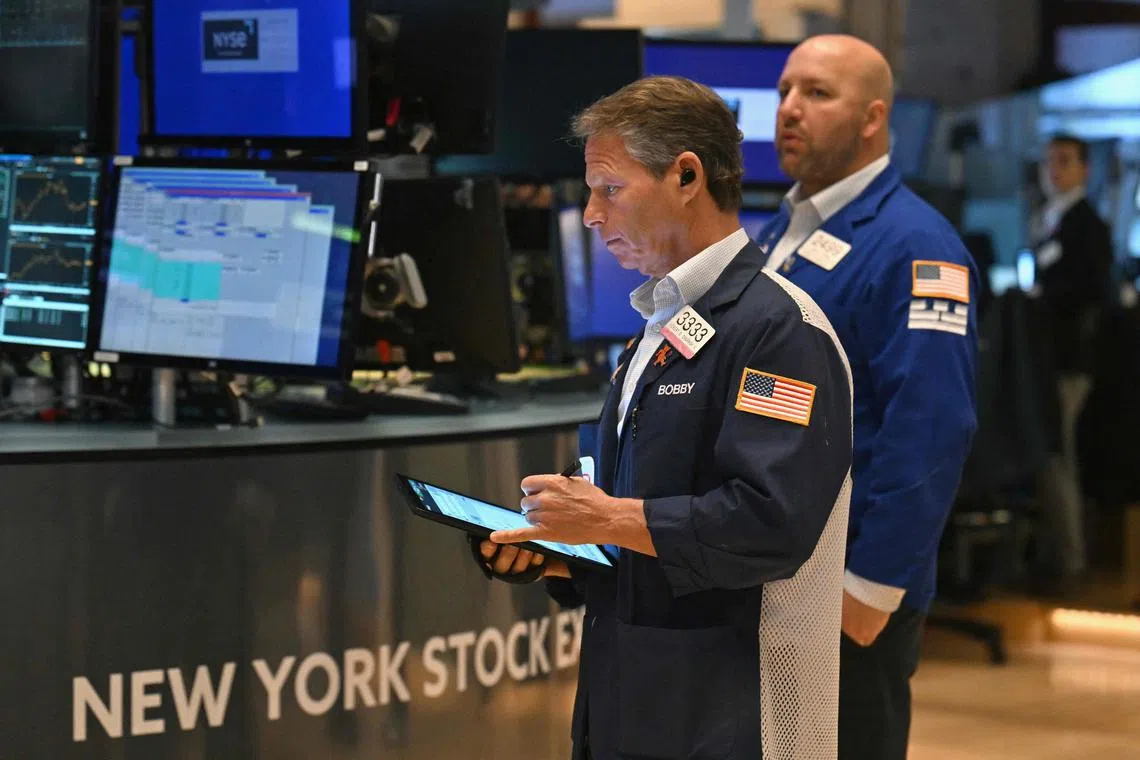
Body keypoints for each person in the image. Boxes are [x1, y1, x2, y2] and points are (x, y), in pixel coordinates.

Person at [474, 76, 853, 760]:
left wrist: (606, 519)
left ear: (686, 176)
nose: (591, 214)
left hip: (738, 712)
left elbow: (769, 523)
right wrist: (554, 552)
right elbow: (643, 533)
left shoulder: (779, 330)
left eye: (609, 188)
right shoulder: (661, 323)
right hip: (631, 698)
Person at [758, 35, 978, 760]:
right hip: (776, 573)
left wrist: (873, 586)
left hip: (847, 588)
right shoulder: (778, 233)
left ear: (873, 118)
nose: (791, 109)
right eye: (787, 90)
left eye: (818, 94)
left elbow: (932, 426)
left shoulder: (917, 247)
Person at [1030, 134, 1114, 587]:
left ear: (1084, 168)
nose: (1053, 170)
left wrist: (1043, 300)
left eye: (1063, 162)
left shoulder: (1088, 224)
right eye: (1049, 161)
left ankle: (1069, 562)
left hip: (1071, 360)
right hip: (1048, 358)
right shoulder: (1050, 219)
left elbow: (1091, 292)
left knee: (1059, 457)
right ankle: (1052, 556)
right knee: (1048, 455)